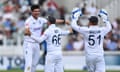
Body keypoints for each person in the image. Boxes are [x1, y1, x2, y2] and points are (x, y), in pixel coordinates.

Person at [23, 4, 69, 72]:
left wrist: (64, 21)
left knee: (34, 64)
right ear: (31, 12)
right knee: (28, 64)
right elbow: (26, 31)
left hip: (37, 44)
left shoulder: (41, 20)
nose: (37, 13)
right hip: (29, 44)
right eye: (35, 11)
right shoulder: (28, 21)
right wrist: (27, 32)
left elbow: (53, 21)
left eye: (38, 11)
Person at [71, 8, 112, 72]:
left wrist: (75, 18)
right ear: (97, 22)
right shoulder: (102, 30)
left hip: (89, 56)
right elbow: (109, 27)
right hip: (99, 55)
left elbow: (74, 26)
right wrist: (105, 19)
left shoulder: (86, 30)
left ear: (90, 22)